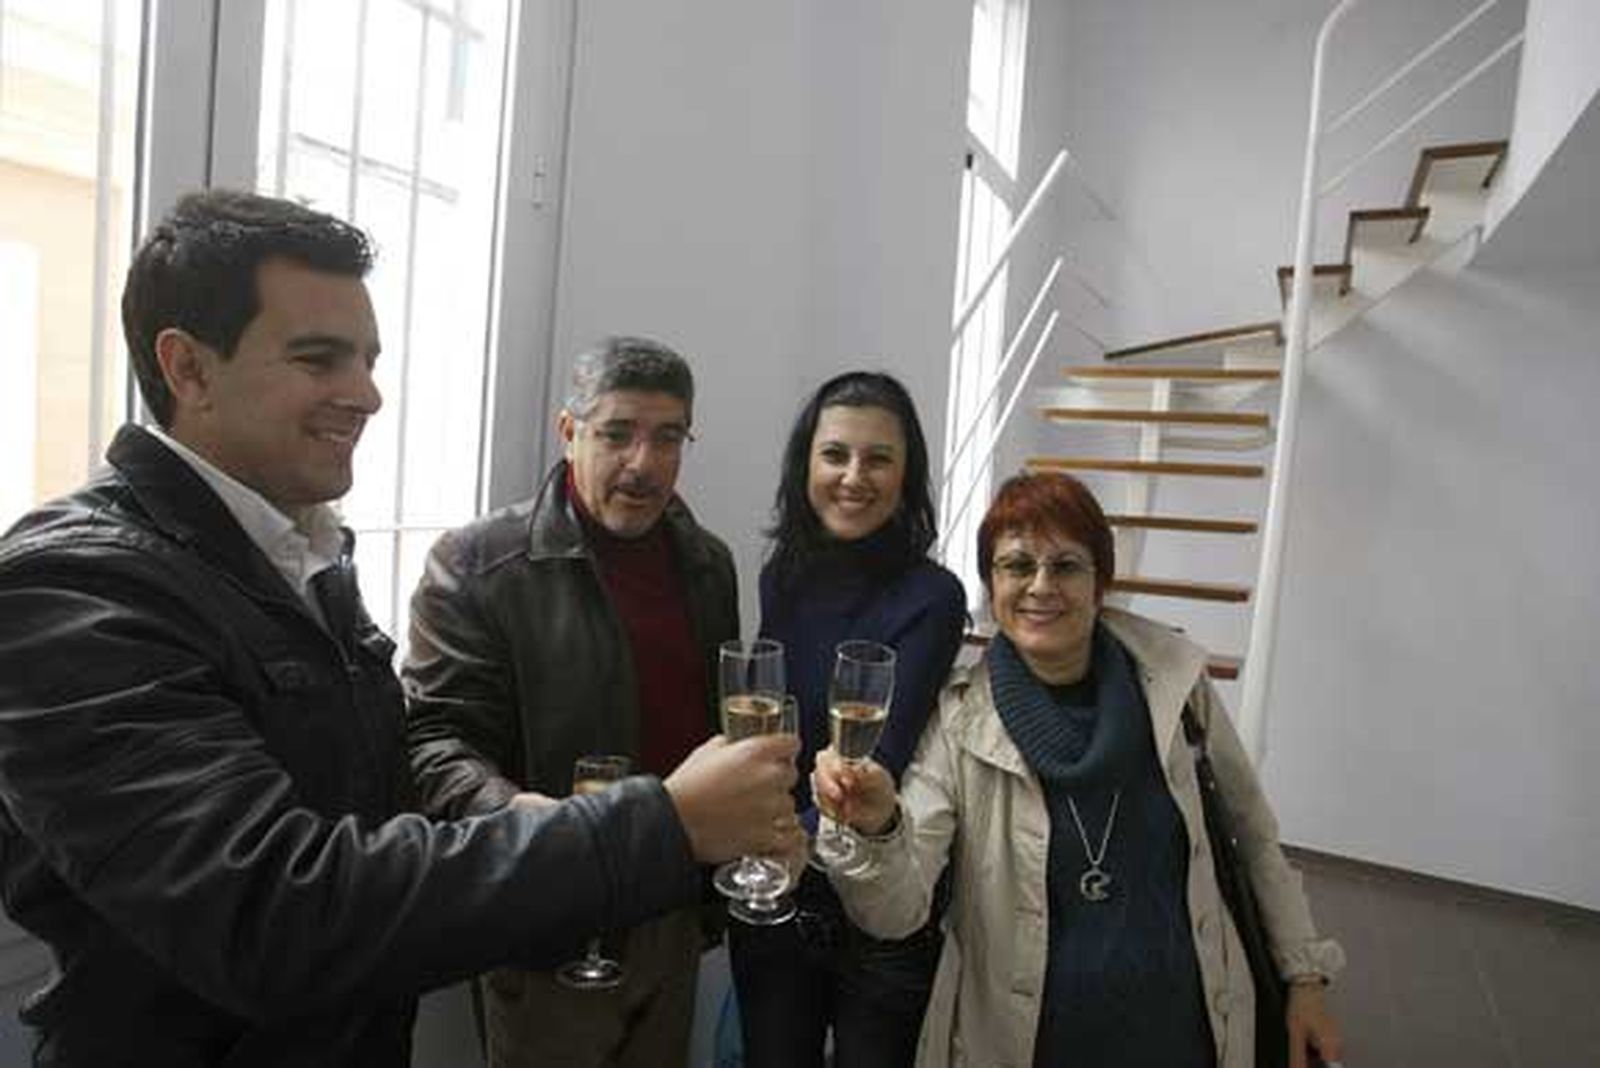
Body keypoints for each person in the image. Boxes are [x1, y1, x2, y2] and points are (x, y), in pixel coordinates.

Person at [0, 190, 801, 1067]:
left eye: (369, 359)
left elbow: (382, 784)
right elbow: (278, 915)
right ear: (188, 369)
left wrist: (529, 826)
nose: (368, 393)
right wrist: (658, 825)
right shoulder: (73, 586)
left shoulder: (300, 558)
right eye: (320, 359)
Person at [814, 471, 1346, 1068]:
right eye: (1016, 566)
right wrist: (875, 828)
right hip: (1027, 1047)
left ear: (1100, 585)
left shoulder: (1176, 687)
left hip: (1187, 1035)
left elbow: (1255, 840)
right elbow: (894, 911)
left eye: (1066, 566)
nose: (1041, 586)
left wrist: (1305, 979)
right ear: (992, 587)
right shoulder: (960, 724)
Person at [403, 336, 740, 1068]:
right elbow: (431, 739)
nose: (643, 463)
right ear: (569, 432)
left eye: (668, 438)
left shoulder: (709, 562)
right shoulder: (478, 564)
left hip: (672, 905)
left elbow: (717, 725)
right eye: (617, 434)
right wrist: (515, 815)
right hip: (549, 914)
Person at [729, 372, 967, 1068]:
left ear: (907, 475)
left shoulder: (933, 596)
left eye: (879, 458)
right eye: (835, 454)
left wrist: (777, 846)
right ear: (806, 463)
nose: (853, 477)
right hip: (781, 884)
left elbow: (874, 762)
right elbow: (777, 735)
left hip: (873, 894)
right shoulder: (784, 575)